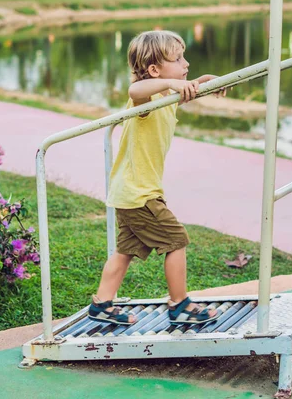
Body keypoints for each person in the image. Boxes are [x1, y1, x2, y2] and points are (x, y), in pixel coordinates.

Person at [88, 30, 226, 326]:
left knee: (125, 250)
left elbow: (185, 90)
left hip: (133, 192)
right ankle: (180, 305)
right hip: (138, 194)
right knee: (176, 240)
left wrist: (203, 82)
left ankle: (102, 303)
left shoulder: (166, 96)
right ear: (154, 70)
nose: (185, 63)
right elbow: (134, 91)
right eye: (178, 59)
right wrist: (171, 82)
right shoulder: (145, 101)